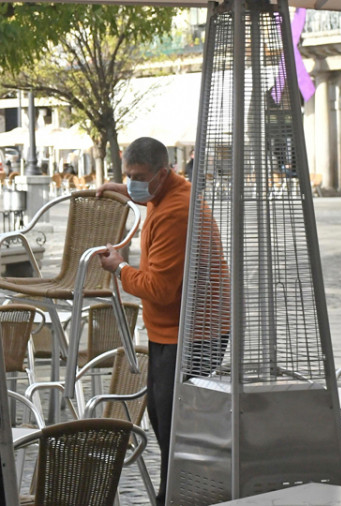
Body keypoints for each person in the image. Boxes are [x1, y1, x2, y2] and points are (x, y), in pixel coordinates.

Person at [96, 137, 191, 506]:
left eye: (138, 176)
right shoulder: (166, 191)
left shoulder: (174, 211)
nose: (133, 183)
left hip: (188, 333)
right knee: (162, 415)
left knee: (171, 423)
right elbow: (147, 194)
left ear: (162, 173)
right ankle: (174, 493)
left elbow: (160, 289)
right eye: (127, 175)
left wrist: (119, 267)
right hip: (171, 329)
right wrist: (123, 189)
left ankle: (174, 497)